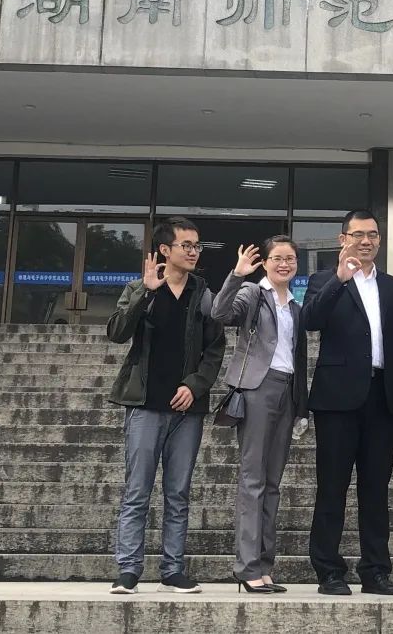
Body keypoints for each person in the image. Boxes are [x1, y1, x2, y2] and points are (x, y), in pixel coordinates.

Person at [106, 217, 226, 595]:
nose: (193, 252)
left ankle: (173, 569)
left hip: (187, 410)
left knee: (178, 493)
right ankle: (128, 569)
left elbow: (215, 349)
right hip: (145, 405)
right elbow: (116, 332)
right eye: (186, 245)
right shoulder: (140, 288)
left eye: (196, 246)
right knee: (137, 490)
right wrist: (145, 292)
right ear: (164, 250)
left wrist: (195, 385)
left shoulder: (203, 294)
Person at [302, 209, 393, 597]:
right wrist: (339, 278)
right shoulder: (324, 280)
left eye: (372, 235)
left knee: (376, 489)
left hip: (382, 397)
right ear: (343, 239)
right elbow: (310, 320)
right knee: (331, 487)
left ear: (380, 240)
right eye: (357, 235)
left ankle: (376, 570)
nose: (365, 241)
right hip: (337, 398)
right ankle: (328, 570)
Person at [211, 236, 308, 594]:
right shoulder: (253, 293)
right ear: (265, 263)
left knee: (272, 483)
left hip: (287, 390)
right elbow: (219, 314)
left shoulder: (295, 306)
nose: (284, 264)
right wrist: (236, 275)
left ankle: (265, 566)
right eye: (277, 258)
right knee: (253, 480)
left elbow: (299, 358)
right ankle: (247, 567)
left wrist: (302, 406)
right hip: (257, 388)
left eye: (290, 258)